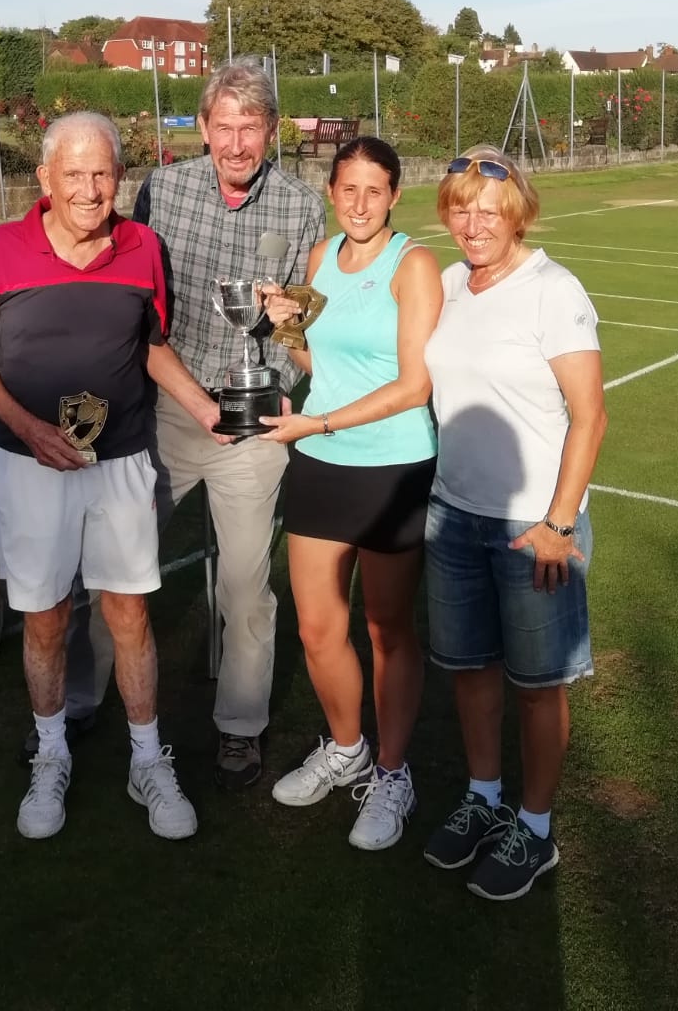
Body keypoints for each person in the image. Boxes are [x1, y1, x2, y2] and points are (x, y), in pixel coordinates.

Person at [0, 111, 224, 842]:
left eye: (102, 172)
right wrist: (29, 426)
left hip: (123, 460)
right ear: (45, 179)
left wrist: (200, 402)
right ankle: (50, 754)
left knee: (128, 613)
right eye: (73, 173)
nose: (90, 188)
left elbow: (151, 345)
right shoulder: (0, 249)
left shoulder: (143, 248)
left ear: (118, 177)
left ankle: (145, 758)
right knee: (44, 618)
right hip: (27, 463)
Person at [126, 58, 326, 789]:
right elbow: (132, 309)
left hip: (256, 422)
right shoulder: (162, 190)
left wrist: (283, 351)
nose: (237, 143)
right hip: (169, 411)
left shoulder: (302, 206)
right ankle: (81, 702)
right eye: (224, 127)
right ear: (202, 129)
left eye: (252, 127)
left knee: (245, 585)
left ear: (272, 131)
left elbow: (302, 329)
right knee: (117, 567)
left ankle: (239, 726)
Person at [421, 147, 607, 901]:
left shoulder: (552, 290)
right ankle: (484, 799)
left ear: (517, 213)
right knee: (468, 674)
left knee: (537, 687)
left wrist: (560, 523)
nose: (472, 224)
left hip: (534, 528)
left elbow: (590, 417)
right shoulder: (448, 284)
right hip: (453, 515)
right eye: (460, 209)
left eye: (488, 211)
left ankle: (532, 829)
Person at [256, 137, 442, 850]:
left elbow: (413, 384)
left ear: (394, 194)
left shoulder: (414, 263)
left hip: (392, 464)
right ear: (331, 192)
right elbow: (315, 358)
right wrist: (285, 326)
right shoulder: (319, 257)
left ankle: (392, 773)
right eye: (348, 189)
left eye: (375, 190)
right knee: (317, 627)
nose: (360, 204)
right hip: (321, 458)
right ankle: (346, 748)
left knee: (386, 630)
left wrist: (319, 421)